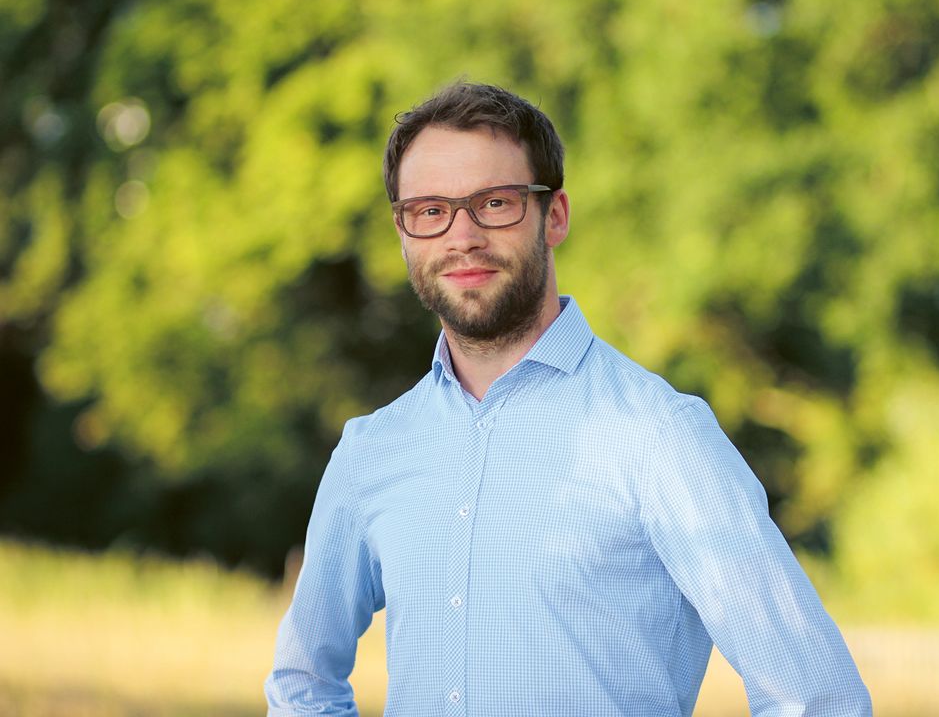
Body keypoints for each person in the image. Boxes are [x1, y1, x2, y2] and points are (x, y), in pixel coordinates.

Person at [265, 82, 872, 716]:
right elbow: (303, 684)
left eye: (494, 203)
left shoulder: (658, 435)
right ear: (403, 232)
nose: (461, 235)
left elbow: (816, 698)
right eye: (430, 211)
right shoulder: (373, 450)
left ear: (554, 215)